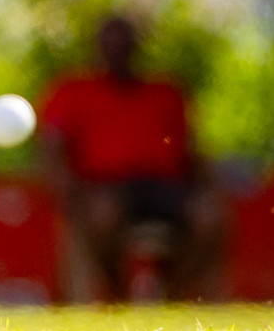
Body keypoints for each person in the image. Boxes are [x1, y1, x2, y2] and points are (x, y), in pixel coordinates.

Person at [39, 16, 221, 301]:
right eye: (109, 44)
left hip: (165, 187)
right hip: (103, 185)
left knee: (211, 215)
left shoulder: (166, 93)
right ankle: (119, 294)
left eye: (123, 44)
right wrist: (63, 184)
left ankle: (172, 293)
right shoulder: (71, 91)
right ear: (96, 48)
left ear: (136, 47)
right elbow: (52, 147)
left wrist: (213, 183)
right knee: (103, 214)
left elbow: (193, 153)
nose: (116, 51)